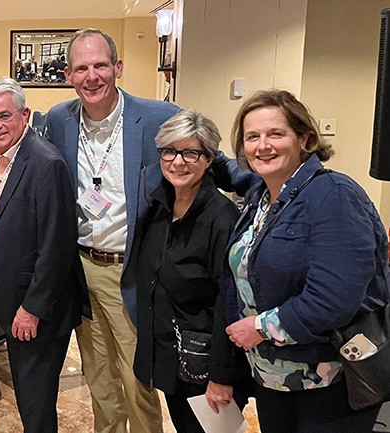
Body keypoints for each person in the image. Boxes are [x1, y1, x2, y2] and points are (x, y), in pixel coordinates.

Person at [44, 28, 250, 433]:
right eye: (82, 68)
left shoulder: (158, 115)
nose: (92, 76)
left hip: (132, 270)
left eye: (101, 65)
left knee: (138, 379)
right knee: (98, 376)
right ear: (69, 74)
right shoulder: (58, 120)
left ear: (117, 68)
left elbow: (216, 160)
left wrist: (266, 188)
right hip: (81, 268)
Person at [224, 89, 389, 432]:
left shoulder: (334, 195)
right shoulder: (261, 197)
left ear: (304, 138)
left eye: (276, 134)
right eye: (252, 137)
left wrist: (258, 328)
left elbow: (335, 299)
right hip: (275, 378)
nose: (262, 145)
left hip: (331, 382)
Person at [0, 77, 89, 433]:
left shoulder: (44, 163)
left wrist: (33, 308)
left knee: (36, 407)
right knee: (27, 400)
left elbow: (58, 244)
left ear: (25, 114)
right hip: (12, 303)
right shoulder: (0, 158)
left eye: (3, 116)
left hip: (36, 312)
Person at [132, 109, 252, 433]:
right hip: (174, 362)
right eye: (169, 151)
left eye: (191, 152)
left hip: (209, 369)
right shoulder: (158, 209)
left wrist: (221, 377)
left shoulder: (222, 219)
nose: (178, 162)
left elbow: (230, 306)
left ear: (210, 158)